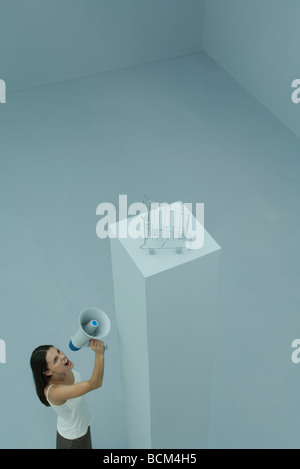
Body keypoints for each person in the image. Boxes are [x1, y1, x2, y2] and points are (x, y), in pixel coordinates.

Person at [30, 339, 105, 449]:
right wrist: (99, 354)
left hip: (83, 426)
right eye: (55, 360)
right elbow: (95, 383)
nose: (62, 357)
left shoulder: (63, 369)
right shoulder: (55, 392)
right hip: (73, 439)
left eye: (59, 351)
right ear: (48, 372)